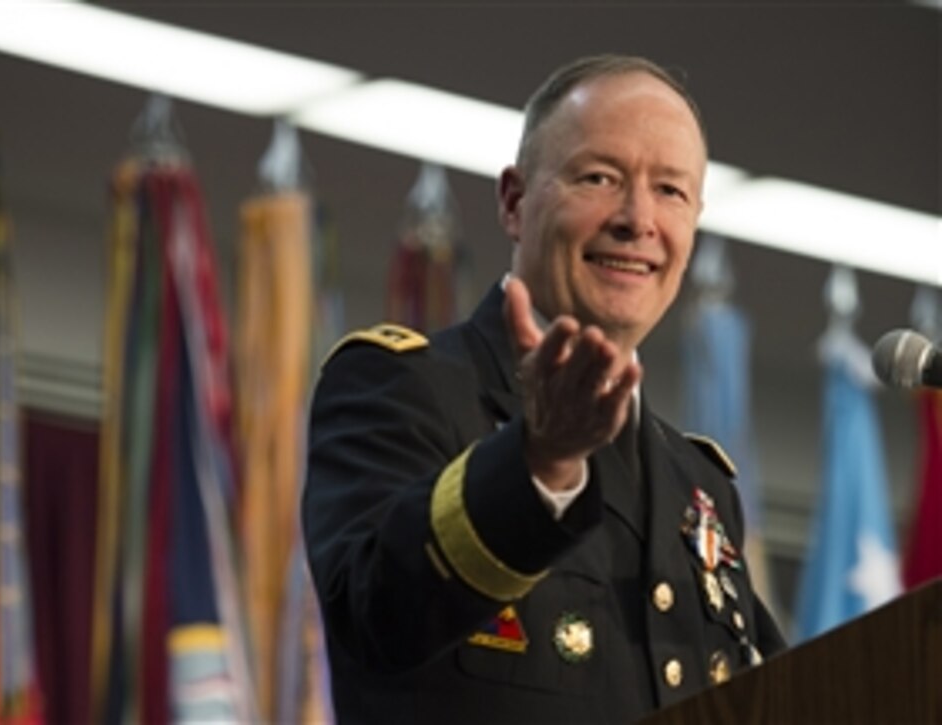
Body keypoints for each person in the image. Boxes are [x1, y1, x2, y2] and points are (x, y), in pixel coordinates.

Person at [302, 54, 785, 724]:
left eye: (671, 191)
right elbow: (371, 614)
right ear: (514, 201)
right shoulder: (399, 386)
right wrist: (538, 462)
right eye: (599, 177)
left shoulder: (701, 483)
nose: (638, 219)